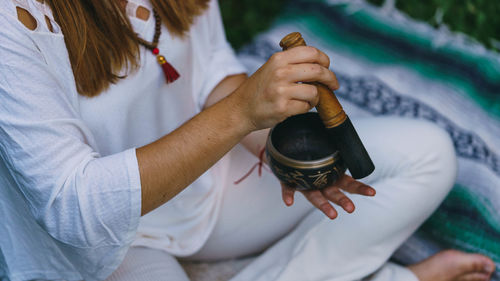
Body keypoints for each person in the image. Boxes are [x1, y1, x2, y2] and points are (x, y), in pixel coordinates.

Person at [0, 0, 495, 280]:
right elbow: (72, 207)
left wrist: (271, 142)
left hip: (204, 193)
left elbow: (211, 65)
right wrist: (242, 112)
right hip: (101, 252)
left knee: (427, 155)